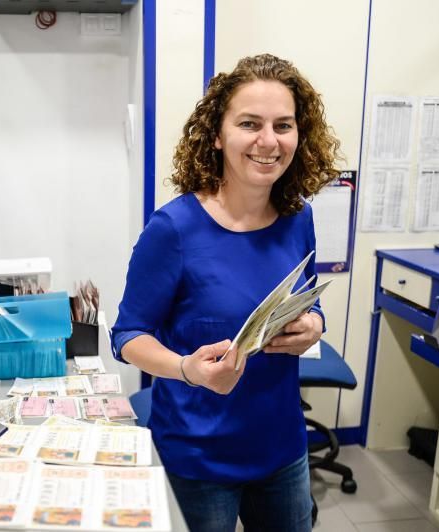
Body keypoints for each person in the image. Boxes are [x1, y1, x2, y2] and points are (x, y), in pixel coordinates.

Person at [111, 54, 341, 532]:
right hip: (198, 459)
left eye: (283, 125)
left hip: (281, 450)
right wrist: (184, 370)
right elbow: (128, 334)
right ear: (217, 134)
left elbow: (308, 300)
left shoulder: (299, 218)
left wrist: (314, 324)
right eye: (249, 123)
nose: (268, 141)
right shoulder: (173, 229)